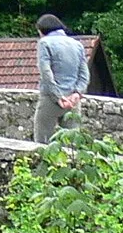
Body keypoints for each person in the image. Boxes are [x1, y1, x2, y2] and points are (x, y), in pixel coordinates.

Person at [33, 13, 91, 143]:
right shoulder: (77, 44)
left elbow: (46, 73)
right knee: (72, 142)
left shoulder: (44, 43)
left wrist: (58, 96)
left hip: (50, 99)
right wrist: (77, 93)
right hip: (73, 100)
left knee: (42, 140)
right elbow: (84, 74)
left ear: (42, 30)